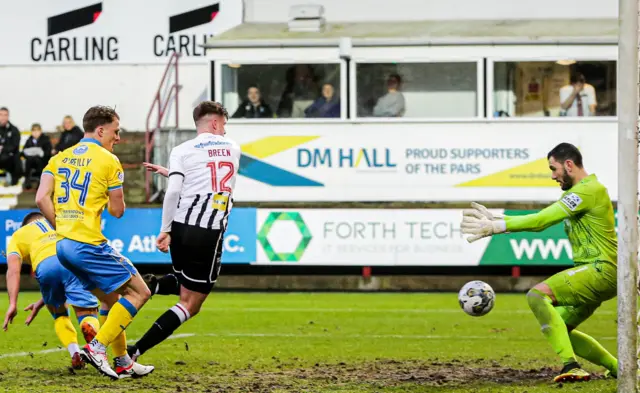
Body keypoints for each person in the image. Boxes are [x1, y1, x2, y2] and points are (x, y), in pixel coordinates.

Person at [460, 142, 617, 383]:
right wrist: (498, 219)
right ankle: (618, 367)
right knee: (560, 327)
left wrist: (498, 227)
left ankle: (571, 365)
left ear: (568, 164)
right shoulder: (582, 193)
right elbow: (541, 218)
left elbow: (542, 221)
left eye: (553, 169)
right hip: (601, 272)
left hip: (600, 269)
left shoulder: (588, 190)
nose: (553, 176)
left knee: (537, 295)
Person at [35, 105, 153, 379]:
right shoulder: (109, 160)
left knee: (112, 301)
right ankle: (97, 347)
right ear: (101, 130)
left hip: (63, 246)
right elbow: (117, 211)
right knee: (140, 293)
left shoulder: (59, 158)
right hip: (88, 243)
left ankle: (122, 361)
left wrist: (62, 226)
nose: (119, 137)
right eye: (116, 131)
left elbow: (41, 198)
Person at [127, 101, 240, 361]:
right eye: (223, 123)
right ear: (214, 123)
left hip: (181, 227)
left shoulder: (181, 150)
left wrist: (166, 229)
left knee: (182, 278)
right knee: (190, 303)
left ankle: (150, 286)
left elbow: (178, 188)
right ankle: (136, 351)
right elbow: (210, 179)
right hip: (208, 231)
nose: (224, 129)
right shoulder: (233, 147)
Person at [2, 212, 100, 370]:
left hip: (45, 267)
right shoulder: (56, 223)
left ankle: (75, 353)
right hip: (69, 258)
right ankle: (94, 343)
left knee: (59, 313)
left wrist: (13, 303)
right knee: (87, 312)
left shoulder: (18, 235)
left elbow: (13, 271)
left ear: (25, 225)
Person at [22, 123, 52, 190]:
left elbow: (48, 152)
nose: (35, 133)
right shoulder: (29, 140)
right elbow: (24, 151)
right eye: (34, 131)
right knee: (28, 160)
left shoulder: (45, 139)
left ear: (40, 131)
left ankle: (40, 182)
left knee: (38, 160)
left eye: (37, 131)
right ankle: (27, 181)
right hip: (31, 161)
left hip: (42, 161)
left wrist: (40, 153)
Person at [0, 107, 23, 185]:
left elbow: (14, 146)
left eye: (5, 115)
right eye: (1, 115)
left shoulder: (14, 130)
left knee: (15, 158)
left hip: (9, 158)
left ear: (8, 116)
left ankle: (12, 183)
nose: (3, 117)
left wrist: (3, 149)